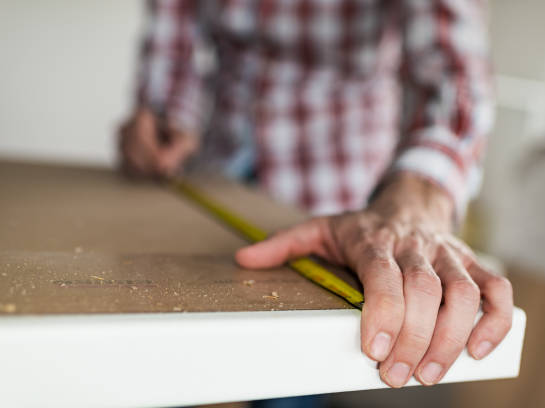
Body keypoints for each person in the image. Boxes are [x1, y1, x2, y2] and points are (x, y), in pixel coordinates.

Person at [119, 0, 513, 395]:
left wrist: (419, 201)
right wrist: (165, 117)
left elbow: (453, 74)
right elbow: (174, 41)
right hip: (215, 171)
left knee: (291, 383)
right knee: (171, 366)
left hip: (337, 193)